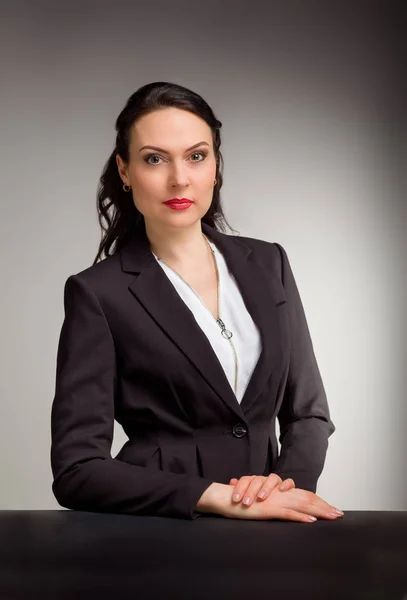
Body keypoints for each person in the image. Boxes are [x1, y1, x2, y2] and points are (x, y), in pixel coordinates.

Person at [50, 81, 343, 524]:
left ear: (215, 165)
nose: (179, 178)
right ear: (125, 171)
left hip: (274, 531)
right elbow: (77, 469)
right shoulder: (98, 293)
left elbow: (309, 414)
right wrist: (215, 496)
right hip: (164, 533)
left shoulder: (269, 262)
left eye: (196, 156)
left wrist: (285, 488)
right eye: (154, 159)